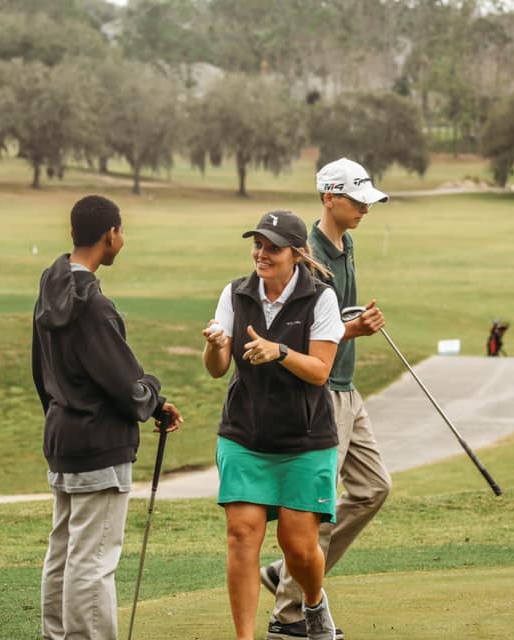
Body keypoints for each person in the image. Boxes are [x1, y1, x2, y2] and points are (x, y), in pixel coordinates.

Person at [32, 194, 183, 640]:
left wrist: (64, 410)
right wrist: (153, 393)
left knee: (63, 553)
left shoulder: (51, 286)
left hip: (63, 436)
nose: (123, 239)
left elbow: (41, 371)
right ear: (110, 235)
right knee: (93, 561)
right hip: (99, 446)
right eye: (122, 232)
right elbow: (123, 385)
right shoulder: (94, 306)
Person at [259, 158, 393, 640]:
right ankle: (288, 614)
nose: (364, 209)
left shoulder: (347, 243)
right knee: (317, 508)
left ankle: (288, 570)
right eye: (357, 200)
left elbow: (339, 316)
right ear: (329, 197)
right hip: (319, 394)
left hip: (348, 389)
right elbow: (295, 326)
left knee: (374, 488)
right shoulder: (306, 253)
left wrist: (356, 322)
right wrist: (351, 329)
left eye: (366, 201)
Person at [203, 210, 345, 640]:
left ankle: (314, 602)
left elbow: (321, 370)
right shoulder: (236, 293)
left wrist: (279, 351)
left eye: (272, 247)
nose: (261, 254)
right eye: (257, 244)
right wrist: (214, 346)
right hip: (245, 435)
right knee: (241, 535)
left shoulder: (321, 298)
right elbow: (217, 368)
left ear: (297, 254)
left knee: (298, 547)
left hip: (304, 439)